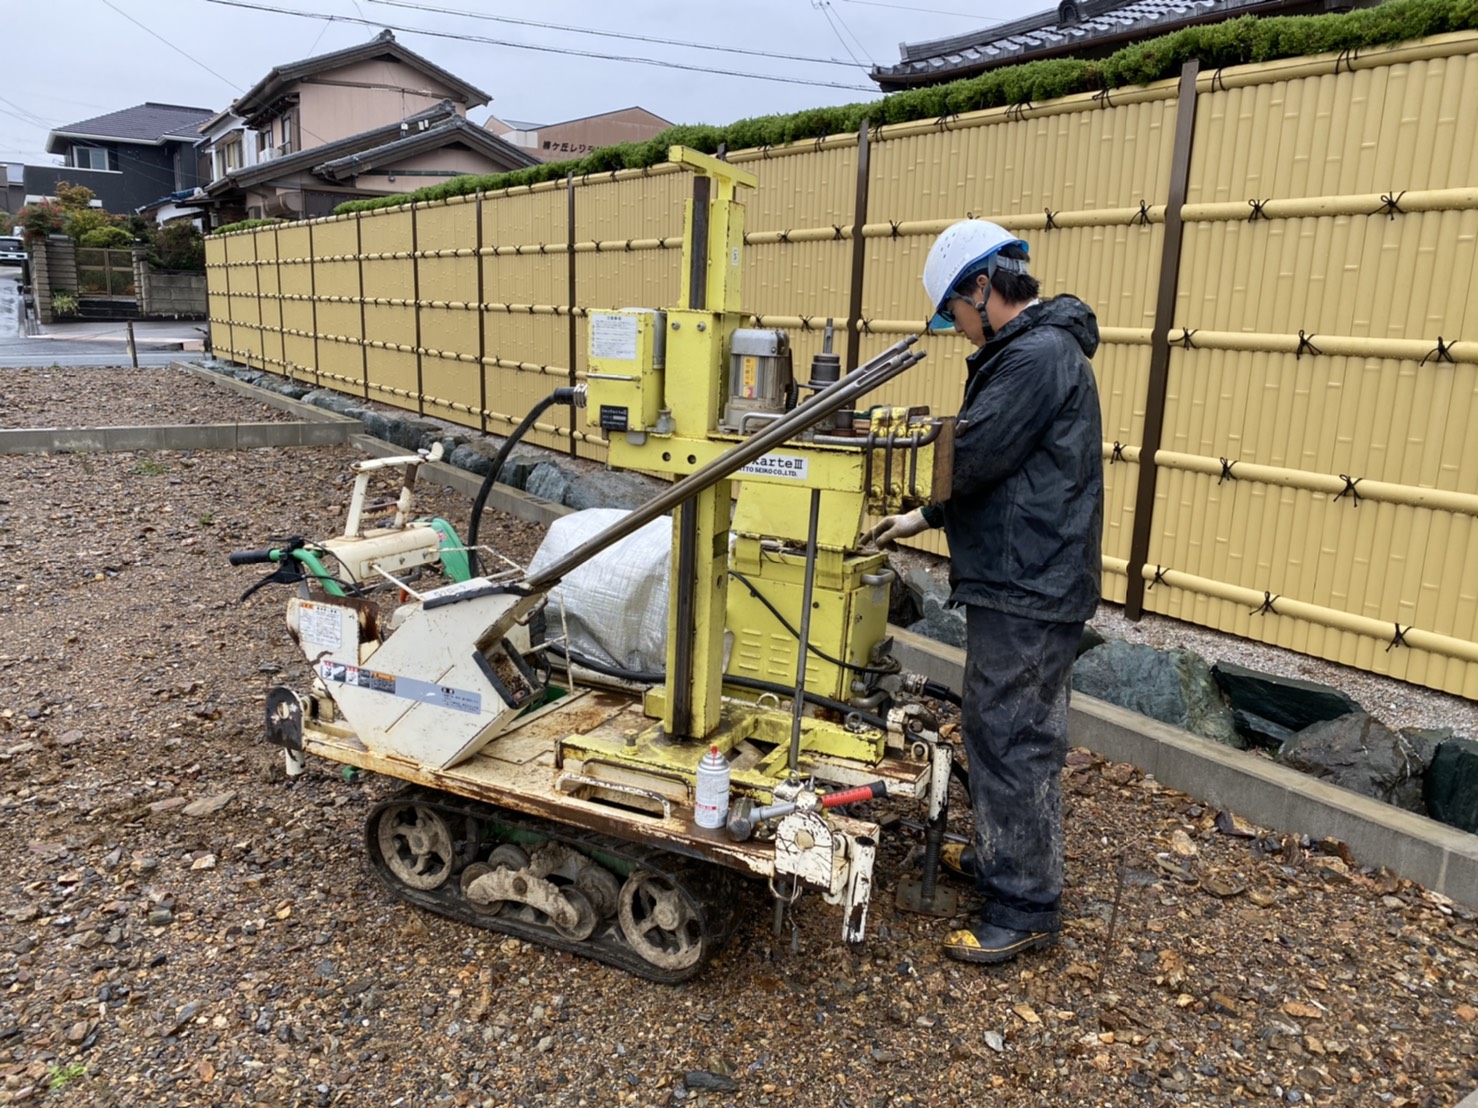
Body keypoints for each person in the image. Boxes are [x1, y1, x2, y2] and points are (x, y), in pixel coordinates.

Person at [867, 219, 1103, 965]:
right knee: (999, 728)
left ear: (981, 287)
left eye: (953, 314)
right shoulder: (1033, 351)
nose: (956, 330)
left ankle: (1025, 905)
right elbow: (997, 467)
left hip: (1029, 582)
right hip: (1025, 573)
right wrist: (922, 516)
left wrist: (892, 479)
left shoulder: (1033, 356)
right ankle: (1005, 859)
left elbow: (970, 454)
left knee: (1012, 739)